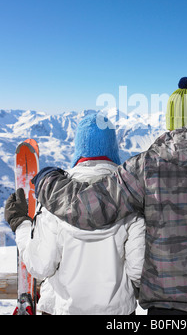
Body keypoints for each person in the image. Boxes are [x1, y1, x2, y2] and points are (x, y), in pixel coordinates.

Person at [8, 77, 187, 315]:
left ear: (169, 121)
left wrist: (47, 181)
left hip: (162, 309)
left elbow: (87, 209)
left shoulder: (143, 168)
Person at [5, 113, 145, 315]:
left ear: (79, 151)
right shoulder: (130, 198)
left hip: (63, 310)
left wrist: (21, 223)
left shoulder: (54, 197)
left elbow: (40, 265)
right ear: (113, 150)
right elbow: (139, 271)